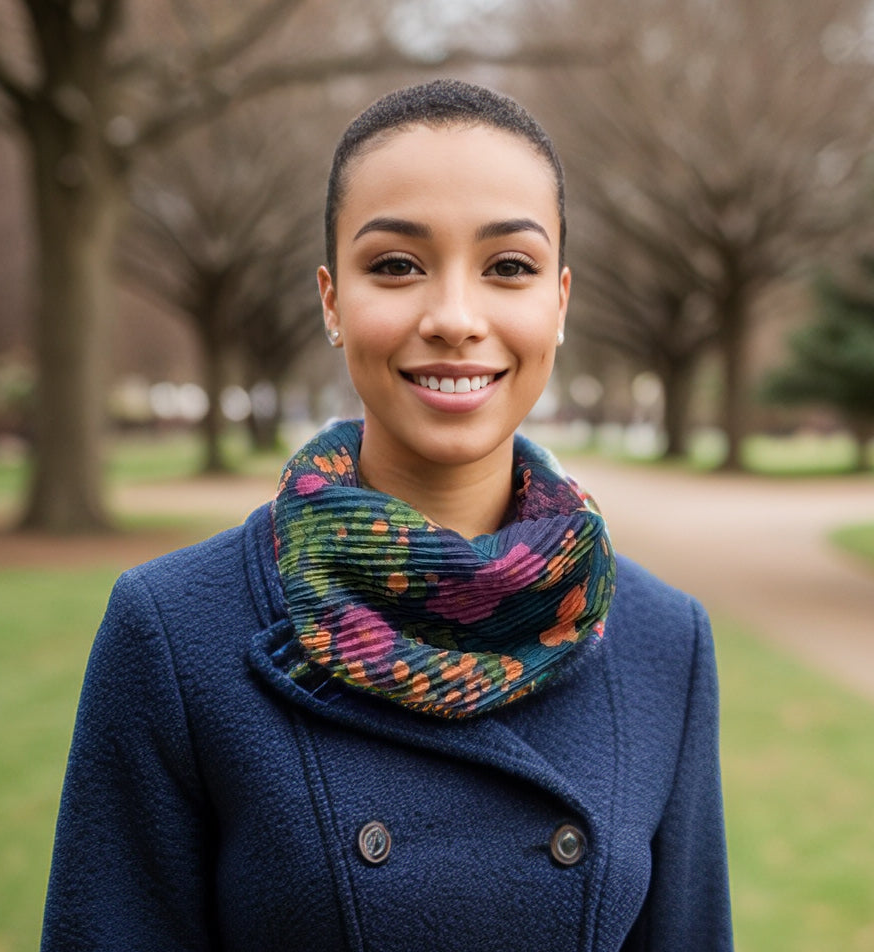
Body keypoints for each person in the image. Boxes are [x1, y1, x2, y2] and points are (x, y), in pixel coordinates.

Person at [41, 79, 733, 951]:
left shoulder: (665, 641)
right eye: (397, 265)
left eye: (508, 268)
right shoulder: (173, 631)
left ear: (558, 303)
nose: (453, 317)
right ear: (332, 301)